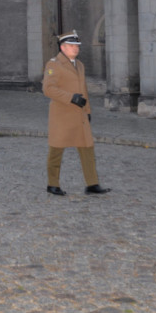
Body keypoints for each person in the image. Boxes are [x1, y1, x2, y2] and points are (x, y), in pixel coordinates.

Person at [42, 30, 109, 196]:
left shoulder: (79, 65)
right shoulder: (53, 64)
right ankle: (52, 184)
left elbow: (83, 90)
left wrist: (88, 110)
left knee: (87, 148)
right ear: (63, 47)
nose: (76, 48)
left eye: (77, 45)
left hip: (79, 115)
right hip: (62, 114)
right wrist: (71, 98)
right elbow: (48, 89)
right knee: (56, 150)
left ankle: (92, 184)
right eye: (72, 46)